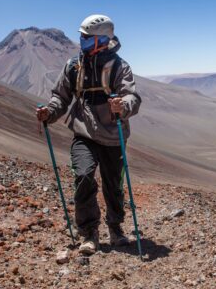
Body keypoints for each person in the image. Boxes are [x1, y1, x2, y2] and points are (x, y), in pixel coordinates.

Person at [36, 14, 141, 256]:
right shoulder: (74, 66)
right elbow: (60, 97)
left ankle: (115, 228)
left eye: (86, 37)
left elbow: (132, 97)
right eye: (81, 37)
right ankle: (89, 233)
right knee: (83, 176)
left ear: (101, 40)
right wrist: (49, 112)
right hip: (83, 132)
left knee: (114, 185)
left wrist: (122, 106)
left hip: (113, 135)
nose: (81, 40)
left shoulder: (119, 67)